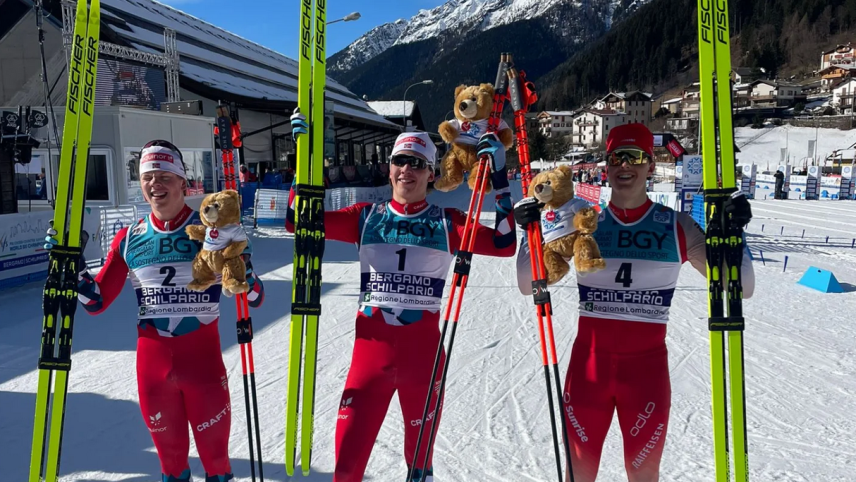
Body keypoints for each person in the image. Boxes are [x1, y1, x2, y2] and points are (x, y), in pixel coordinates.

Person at [514, 123, 755, 482]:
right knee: (578, 474)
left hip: (646, 376)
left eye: (635, 157)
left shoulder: (676, 226)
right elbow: (525, 282)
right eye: (616, 158)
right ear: (606, 166)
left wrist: (734, 234)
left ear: (650, 165)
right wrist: (529, 231)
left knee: (643, 474)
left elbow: (742, 286)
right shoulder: (581, 222)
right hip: (588, 371)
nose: (625, 166)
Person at [288, 112, 517, 482]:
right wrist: (303, 157)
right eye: (400, 161)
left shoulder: (447, 222)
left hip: (423, 362)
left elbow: (505, 244)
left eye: (417, 163)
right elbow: (298, 221)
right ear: (389, 167)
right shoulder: (365, 217)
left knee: (419, 469)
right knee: (346, 469)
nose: (406, 170)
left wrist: (501, 179)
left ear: (431, 174)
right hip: (370, 360)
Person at [45, 140, 265, 482]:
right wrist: (73, 271)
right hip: (153, 373)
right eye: (148, 176)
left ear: (182, 181)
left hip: (203, 367)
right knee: (171, 468)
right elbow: (97, 302)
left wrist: (245, 276)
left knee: (217, 466)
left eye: (164, 176)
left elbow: (255, 298)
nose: (155, 184)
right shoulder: (129, 238)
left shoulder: (214, 230)